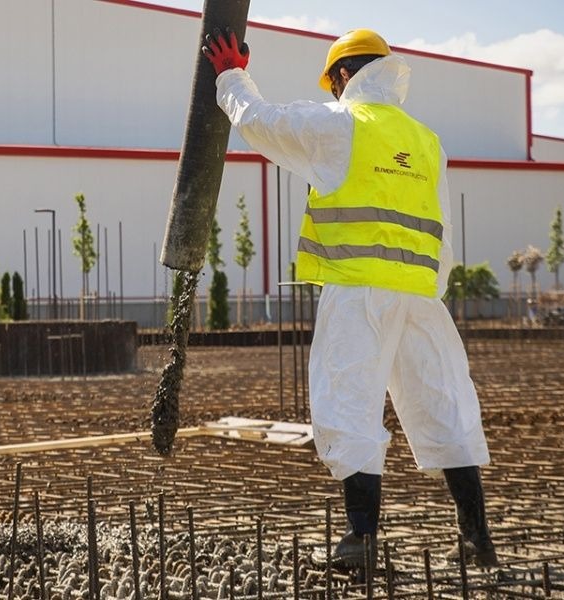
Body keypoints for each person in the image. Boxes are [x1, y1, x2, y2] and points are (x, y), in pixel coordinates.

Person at [202, 28, 498, 569]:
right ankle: (477, 539)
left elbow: (259, 122)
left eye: (334, 83)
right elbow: (444, 235)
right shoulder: (427, 142)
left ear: (343, 75)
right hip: (421, 298)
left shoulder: (340, 125)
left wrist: (230, 75)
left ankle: (361, 540)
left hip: (358, 293)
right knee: (443, 407)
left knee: (348, 406)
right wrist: (425, 293)